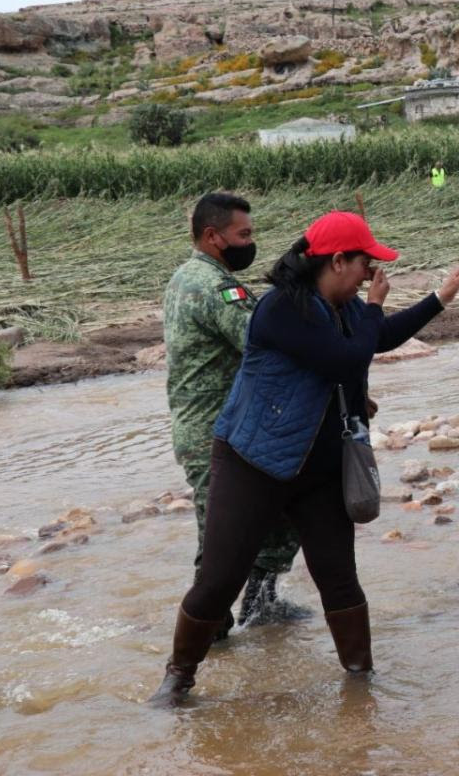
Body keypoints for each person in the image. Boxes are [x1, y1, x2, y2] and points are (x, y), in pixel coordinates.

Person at [149, 211, 459, 704]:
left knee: (339, 577)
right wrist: (374, 306)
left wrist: (438, 299)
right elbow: (347, 357)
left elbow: (377, 339)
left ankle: (361, 683)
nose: (370, 273)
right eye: (365, 262)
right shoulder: (283, 308)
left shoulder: (337, 307)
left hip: (318, 468)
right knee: (219, 580)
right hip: (253, 461)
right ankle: (178, 678)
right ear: (337, 260)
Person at [163, 193, 304, 639]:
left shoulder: (190, 276)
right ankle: (208, 631)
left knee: (280, 515)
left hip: (236, 427)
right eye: (243, 234)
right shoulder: (214, 286)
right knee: (220, 541)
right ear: (212, 235)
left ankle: (260, 604)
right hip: (214, 432)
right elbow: (259, 339)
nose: (250, 241)